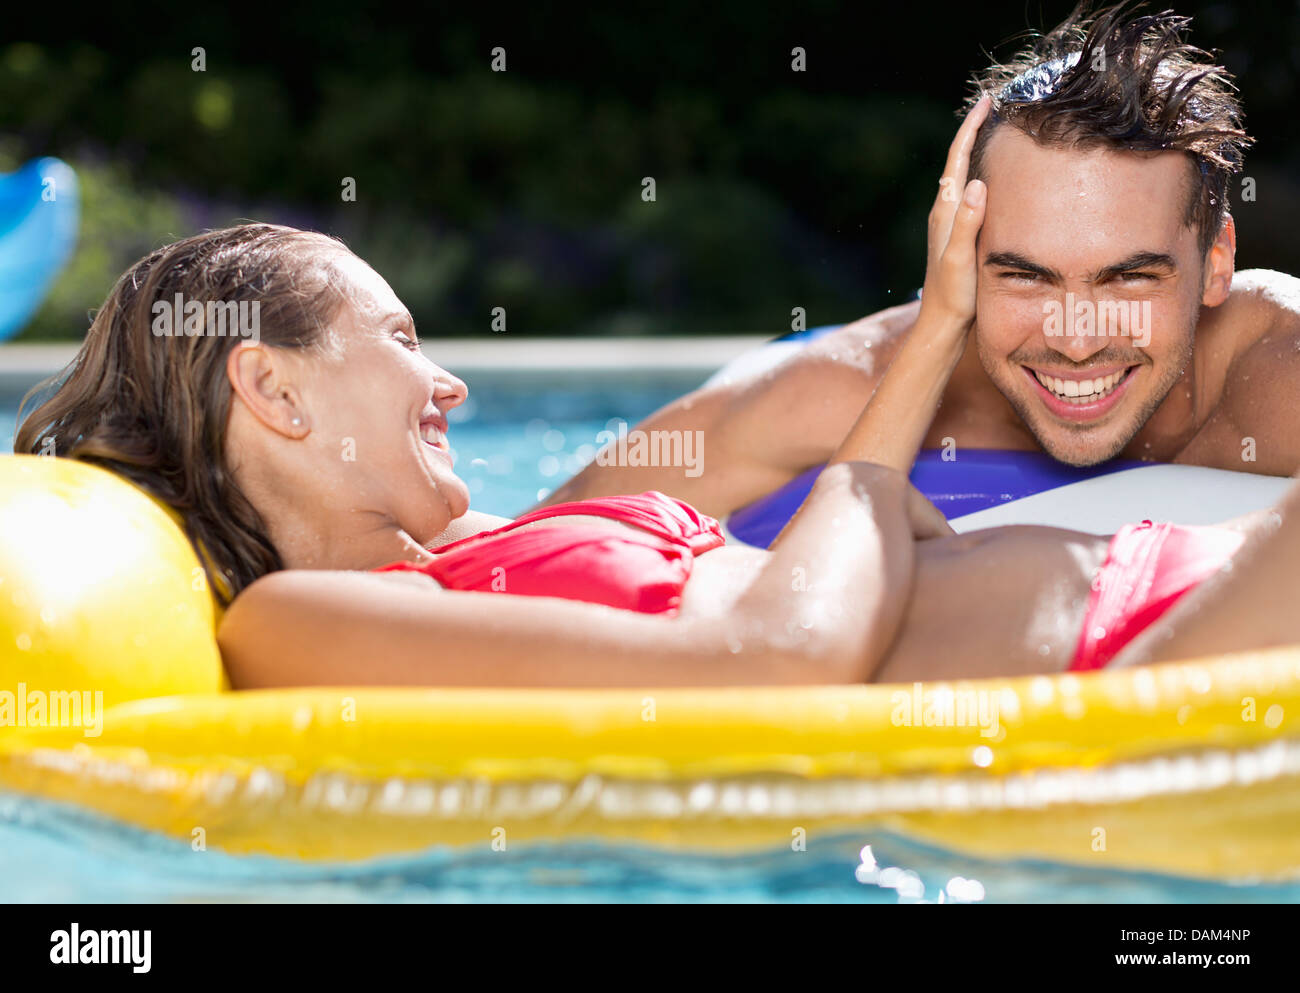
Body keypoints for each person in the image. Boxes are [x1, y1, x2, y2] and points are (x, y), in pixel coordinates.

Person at [15, 98, 1294, 688]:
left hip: (1152, 578)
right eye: (398, 337)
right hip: (1127, 649)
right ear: (274, 391)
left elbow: (865, 547)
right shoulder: (293, 622)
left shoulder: (475, 550)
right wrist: (926, 353)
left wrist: (868, 524)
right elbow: (780, 661)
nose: (447, 376)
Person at [544, 3, 1300, 523]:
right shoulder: (832, 387)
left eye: (1129, 277)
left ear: (1215, 264)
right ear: (960, 259)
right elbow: (522, 547)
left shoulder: (1270, 371)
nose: (1075, 341)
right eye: (1024, 275)